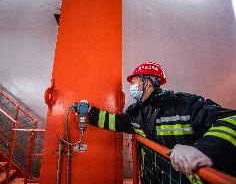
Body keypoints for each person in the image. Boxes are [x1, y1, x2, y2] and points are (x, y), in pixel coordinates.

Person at [82, 62, 236, 181]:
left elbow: (230, 119)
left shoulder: (184, 104)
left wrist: (204, 150)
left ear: (147, 83)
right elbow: (116, 122)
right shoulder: (136, 112)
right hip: (152, 177)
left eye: (134, 82)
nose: (132, 87)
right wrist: (90, 112)